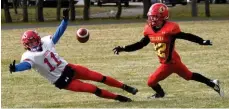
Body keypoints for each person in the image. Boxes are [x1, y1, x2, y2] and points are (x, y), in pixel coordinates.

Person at [9, 9, 138, 102]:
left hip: (69, 68)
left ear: (38, 38)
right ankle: (119, 98)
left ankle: (125, 87)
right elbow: (26, 65)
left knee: (100, 77)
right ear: (26, 45)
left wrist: (65, 20)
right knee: (93, 89)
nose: (33, 44)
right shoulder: (29, 56)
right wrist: (16, 68)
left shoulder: (46, 41)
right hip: (61, 80)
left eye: (34, 40)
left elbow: (58, 33)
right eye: (30, 43)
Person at [112, 3, 223, 98]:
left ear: (163, 17)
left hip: (169, 62)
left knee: (151, 82)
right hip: (175, 60)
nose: (152, 20)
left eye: (155, 17)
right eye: (151, 17)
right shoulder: (149, 30)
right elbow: (140, 44)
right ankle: (211, 82)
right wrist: (124, 48)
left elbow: (186, 36)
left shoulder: (170, 29)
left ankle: (160, 94)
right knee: (189, 76)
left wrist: (201, 41)